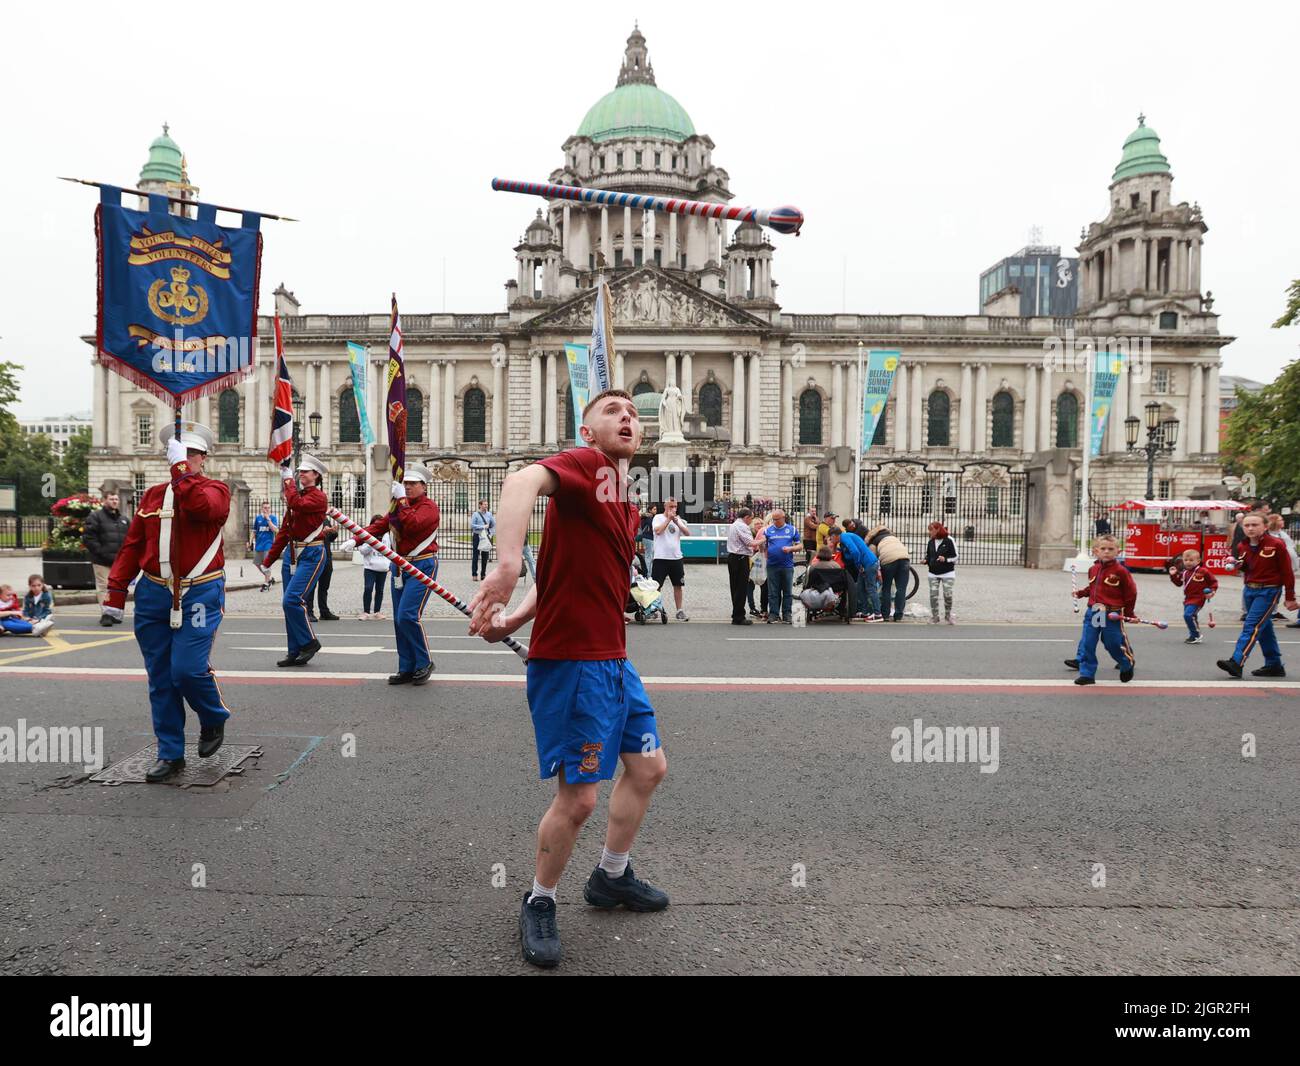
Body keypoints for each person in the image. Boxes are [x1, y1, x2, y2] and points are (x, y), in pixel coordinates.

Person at [467, 389, 668, 970]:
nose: (627, 417)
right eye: (612, 412)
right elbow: (520, 481)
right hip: (575, 664)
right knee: (578, 799)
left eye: (632, 412)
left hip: (613, 660)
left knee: (649, 768)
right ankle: (540, 899)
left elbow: (557, 570)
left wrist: (514, 617)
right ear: (587, 433)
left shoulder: (621, 498)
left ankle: (610, 877)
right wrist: (506, 566)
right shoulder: (584, 467)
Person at [101, 421, 231, 782]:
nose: (185, 459)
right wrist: (115, 591)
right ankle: (170, 752)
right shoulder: (152, 496)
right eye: (179, 453)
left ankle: (213, 715)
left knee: (187, 669)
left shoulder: (215, 489)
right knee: (160, 678)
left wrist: (180, 474)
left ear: (204, 458)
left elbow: (205, 510)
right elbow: (133, 545)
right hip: (154, 592)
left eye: (192, 454)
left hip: (199, 590)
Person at [357, 464, 442, 685]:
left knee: (408, 616)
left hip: (422, 566)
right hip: (400, 567)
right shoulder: (398, 507)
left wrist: (401, 501)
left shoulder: (429, 507)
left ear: (424, 486)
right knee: (398, 620)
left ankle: (423, 662)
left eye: (413, 484)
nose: (409, 487)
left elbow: (412, 525)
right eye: (406, 484)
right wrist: (356, 539)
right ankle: (406, 667)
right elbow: (379, 527)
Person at [263, 454, 330, 668]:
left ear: (316, 475)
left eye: (306, 471)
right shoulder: (298, 497)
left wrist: (288, 480)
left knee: (292, 600)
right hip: (292, 555)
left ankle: (309, 643)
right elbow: (284, 532)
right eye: (299, 471)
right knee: (288, 606)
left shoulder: (317, 497)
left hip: (311, 554)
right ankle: (294, 650)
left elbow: (295, 502)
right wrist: (269, 559)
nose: (301, 474)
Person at [1217, 512, 1297, 678]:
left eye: (1255, 525)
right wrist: (1238, 564)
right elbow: (1248, 567)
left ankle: (1237, 661)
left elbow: (1287, 572)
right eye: (1247, 525)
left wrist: (1290, 597)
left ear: (1265, 526)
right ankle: (1274, 664)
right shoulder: (1242, 546)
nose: (1250, 528)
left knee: (1251, 625)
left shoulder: (1276, 544)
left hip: (1268, 590)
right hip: (1249, 589)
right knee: (1264, 627)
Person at [1069, 534, 1137, 685]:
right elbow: (1093, 588)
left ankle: (1126, 664)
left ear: (1118, 552)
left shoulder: (1121, 571)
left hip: (1112, 613)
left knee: (1112, 643)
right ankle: (1087, 674)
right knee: (1088, 642)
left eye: (1111, 549)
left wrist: (1130, 613)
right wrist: (1081, 593)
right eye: (1103, 549)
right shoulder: (1093, 569)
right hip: (1094, 611)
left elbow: (1131, 593)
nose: (1107, 552)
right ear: (1096, 551)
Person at [83, 492, 131, 626]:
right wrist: (101, 552)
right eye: (111, 499)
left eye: (116, 499)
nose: (115, 501)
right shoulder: (95, 516)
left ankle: (114, 613)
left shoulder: (124, 519)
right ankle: (106, 614)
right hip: (101, 560)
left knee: (116, 588)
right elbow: (88, 537)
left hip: (119, 561)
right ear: (104, 500)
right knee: (104, 587)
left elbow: (130, 539)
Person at [340, 516, 392, 619]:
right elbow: (362, 551)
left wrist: (389, 563)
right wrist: (373, 543)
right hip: (370, 567)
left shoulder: (387, 536)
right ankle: (366, 612)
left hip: (383, 567)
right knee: (368, 588)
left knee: (380, 590)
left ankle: (377, 611)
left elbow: (391, 549)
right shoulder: (366, 536)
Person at [651, 497, 690, 621]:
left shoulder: (678, 520)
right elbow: (658, 531)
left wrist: (677, 522)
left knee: (678, 585)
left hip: (676, 557)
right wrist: (668, 519)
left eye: (675, 507)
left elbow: (687, 533)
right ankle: (653, 609)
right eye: (671, 506)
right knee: (657, 585)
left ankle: (679, 611)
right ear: (665, 506)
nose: (673, 509)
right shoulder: (658, 518)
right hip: (660, 557)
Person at [1169, 548, 1218, 644]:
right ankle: (1194, 634)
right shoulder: (1184, 573)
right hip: (1188, 598)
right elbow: (1178, 583)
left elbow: (1213, 582)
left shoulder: (1203, 571)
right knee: (1192, 616)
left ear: (1198, 561)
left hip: (1198, 598)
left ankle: (1196, 635)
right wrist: (1173, 575)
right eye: (1186, 560)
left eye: (1191, 560)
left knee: (1188, 615)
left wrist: (1212, 592)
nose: (1188, 562)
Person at [865, 523, 912, 622]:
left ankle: (885, 614)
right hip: (905, 559)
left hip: (888, 561)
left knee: (886, 588)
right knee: (901, 589)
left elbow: (872, 558)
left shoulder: (875, 541)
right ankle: (898, 615)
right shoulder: (893, 538)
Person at [763, 508, 800, 624]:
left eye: (777, 519)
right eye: (773, 519)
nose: (774, 521)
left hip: (787, 565)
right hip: (772, 565)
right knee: (773, 591)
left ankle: (787, 614)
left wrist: (790, 548)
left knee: (787, 591)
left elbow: (800, 546)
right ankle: (773, 614)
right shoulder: (768, 530)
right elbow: (764, 546)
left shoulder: (792, 530)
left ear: (783, 518)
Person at [835, 521, 878, 620]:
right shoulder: (845, 538)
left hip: (868, 563)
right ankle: (865, 612)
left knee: (871, 589)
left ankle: (877, 613)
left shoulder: (844, 537)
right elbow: (851, 553)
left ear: (835, 536)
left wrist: (858, 564)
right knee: (860, 588)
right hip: (866, 564)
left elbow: (855, 551)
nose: (831, 540)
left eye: (831, 538)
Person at [1266, 514, 1300, 628]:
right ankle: (1271, 612)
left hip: (1289, 565)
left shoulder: (1282, 533)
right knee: (1275, 589)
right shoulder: (1270, 536)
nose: (1283, 521)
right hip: (1279, 568)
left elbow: (1291, 549)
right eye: (1281, 519)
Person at [725, 507, 755, 625]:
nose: (751, 521)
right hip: (740, 558)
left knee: (735, 587)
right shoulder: (742, 526)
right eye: (750, 519)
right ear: (746, 517)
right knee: (741, 588)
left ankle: (736, 613)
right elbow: (750, 542)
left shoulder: (733, 524)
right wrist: (764, 539)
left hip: (733, 557)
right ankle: (739, 616)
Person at [925, 521, 959, 624]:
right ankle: (935, 616)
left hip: (947, 572)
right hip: (933, 572)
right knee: (933, 595)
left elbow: (956, 556)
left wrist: (946, 559)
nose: (930, 532)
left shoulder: (949, 540)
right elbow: (929, 555)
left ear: (938, 529)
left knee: (947, 594)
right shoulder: (931, 541)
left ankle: (948, 615)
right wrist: (926, 560)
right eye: (929, 530)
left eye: (931, 530)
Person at [313, 523, 341, 622]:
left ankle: (324, 612)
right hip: (314, 556)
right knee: (311, 586)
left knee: (324, 587)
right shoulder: (312, 517)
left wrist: (334, 532)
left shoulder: (325, 518)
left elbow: (330, 538)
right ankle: (309, 612)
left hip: (327, 556)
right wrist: (323, 531)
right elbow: (308, 536)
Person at [250, 501, 279, 592]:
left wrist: (268, 519)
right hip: (259, 545)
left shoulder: (273, 518)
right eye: (265, 508)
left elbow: (275, 530)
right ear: (262, 509)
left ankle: (266, 584)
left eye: (268, 508)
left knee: (267, 564)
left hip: (268, 544)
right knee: (257, 564)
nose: (266, 509)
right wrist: (250, 541)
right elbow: (254, 531)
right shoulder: (258, 518)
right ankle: (269, 579)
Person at [471, 499, 496, 581]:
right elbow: (472, 525)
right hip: (477, 536)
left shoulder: (489, 514)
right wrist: (483, 527)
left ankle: (483, 574)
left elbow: (493, 525)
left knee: (485, 556)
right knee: (475, 556)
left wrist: (491, 534)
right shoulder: (475, 514)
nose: (486, 506)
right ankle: (474, 574)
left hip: (486, 537)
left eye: (487, 504)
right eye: (484, 504)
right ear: (480, 505)